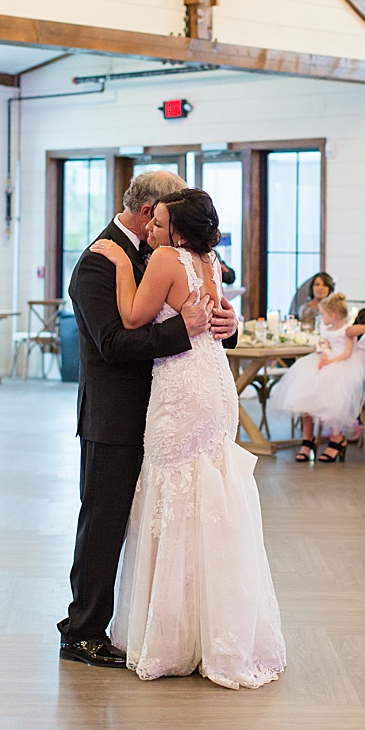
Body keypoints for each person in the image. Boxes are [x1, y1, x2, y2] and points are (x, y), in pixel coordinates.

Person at [87, 186, 283, 689]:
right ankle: (216, 628)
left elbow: (131, 318)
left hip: (179, 386)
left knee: (173, 496)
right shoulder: (210, 260)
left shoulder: (165, 259)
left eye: (160, 222)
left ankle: (173, 633)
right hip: (213, 382)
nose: (151, 228)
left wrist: (122, 263)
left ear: (176, 228)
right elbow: (211, 321)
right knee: (208, 494)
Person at [57, 170, 238, 671]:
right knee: (104, 522)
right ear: (148, 214)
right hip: (115, 418)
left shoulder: (174, 251)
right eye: (162, 215)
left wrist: (229, 323)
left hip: (170, 412)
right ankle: (84, 629)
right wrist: (184, 329)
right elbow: (113, 344)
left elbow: (208, 299)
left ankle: (163, 627)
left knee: (166, 522)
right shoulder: (98, 261)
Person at [271, 292, 365, 463]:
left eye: (323, 314)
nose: (321, 317)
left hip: (341, 365)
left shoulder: (347, 330)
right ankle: (308, 438)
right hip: (324, 361)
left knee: (332, 397)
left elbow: (347, 353)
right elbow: (323, 343)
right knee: (305, 392)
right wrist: (323, 352)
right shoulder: (325, 328)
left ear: (332, 316)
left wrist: (330, 360)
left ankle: (337, 438)